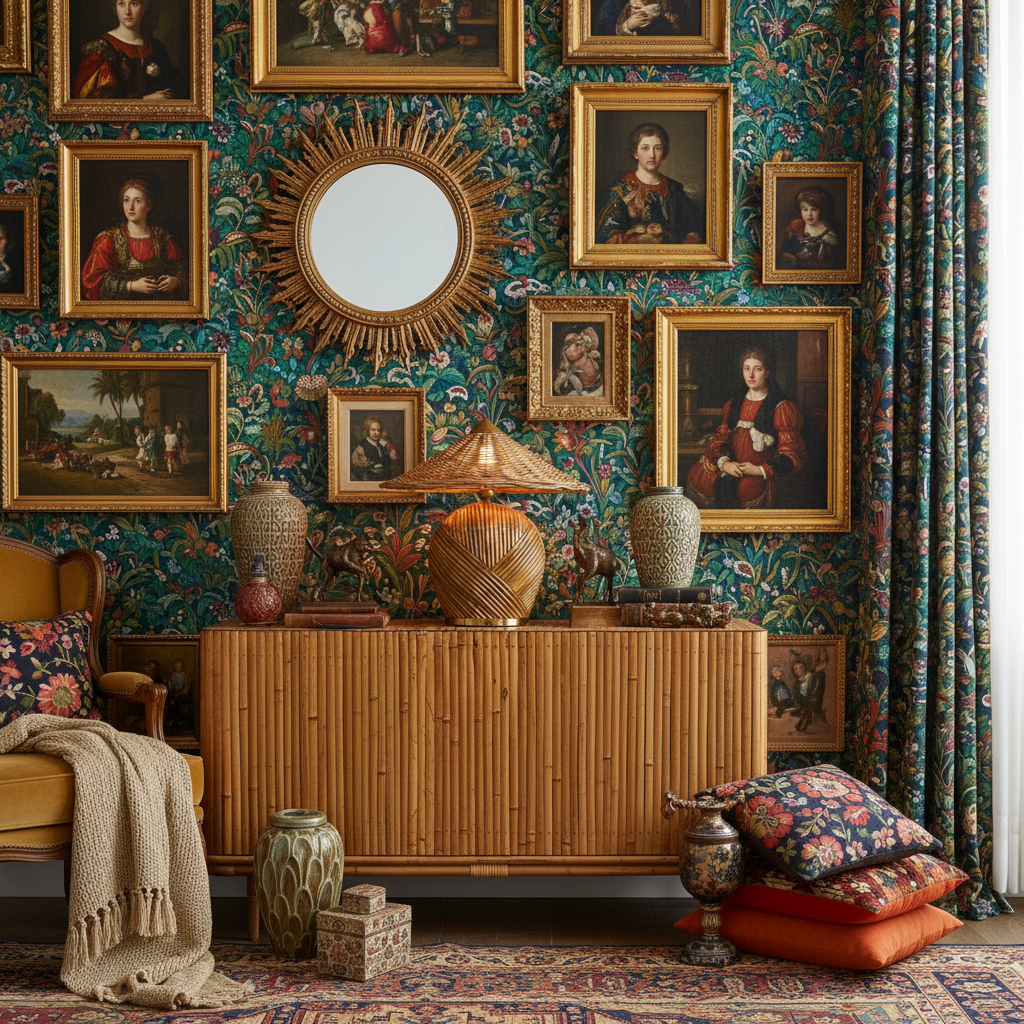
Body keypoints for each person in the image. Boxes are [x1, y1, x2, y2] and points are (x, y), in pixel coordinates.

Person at [686, 347, 806, 510]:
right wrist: (724, 462)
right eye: (746, 369)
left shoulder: (782, 408)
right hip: (731, 464)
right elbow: (719, 438)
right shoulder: (733, 404)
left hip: (757, 469)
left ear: (768, 372)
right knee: (699, 474)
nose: (751, 375)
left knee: (745, 488)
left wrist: (758, 470)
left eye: (758, 369)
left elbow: (792, 454)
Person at [595, 123, 704, 245]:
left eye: (657, 148)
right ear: (635, 153)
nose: (652, 155)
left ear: (664, 152)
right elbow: (606, 236)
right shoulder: (621, 190)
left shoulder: (674, 189)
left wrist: (691, 237)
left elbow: (696, 226)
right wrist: (637, 240)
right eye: (645, 148)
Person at [81, 175, 186, 301]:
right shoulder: (108, 239)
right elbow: (92, 282)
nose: (130, 207)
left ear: (149, 205)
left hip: (158, 309)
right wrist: (131, 286)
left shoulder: (164, 238)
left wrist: (177, 281)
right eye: (126, 200)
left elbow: (183, 270)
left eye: (137, 201)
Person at [73, 0, 187, 101]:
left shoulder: (156, 48)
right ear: (115, 8)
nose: (127, 11)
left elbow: (179, 87)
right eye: (121, 4)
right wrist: (143, 100)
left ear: (144, 8)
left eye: (134, 3)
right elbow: (94, 97)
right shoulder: (102, 48)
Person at [779, 186, 842, 271]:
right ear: (800, 210)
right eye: (805, 209)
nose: (809, 214)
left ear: (821, 210)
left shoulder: (829, 237)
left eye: (814, 209)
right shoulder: (795, 230)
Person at [592, 0, 700, 36]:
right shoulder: (615, 3)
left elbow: (685, 33)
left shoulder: (674, 4)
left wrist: (655, 16)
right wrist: (626, 26)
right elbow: (601, 31)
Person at [553, 326, 605, 397]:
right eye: (571, 342)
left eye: (576, 337)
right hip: (587, 390)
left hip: (599, 384)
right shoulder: (570, 354)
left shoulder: (590, 353)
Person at [351, 415, 402, 481]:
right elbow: (358, 471)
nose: (376, 433)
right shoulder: (362, 447)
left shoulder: (382, 446)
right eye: (373, 430)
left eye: (378, 430)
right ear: (367, 430)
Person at [793, 652, 828, 733]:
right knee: (804, 710)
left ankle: (802, 725)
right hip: (803, 702)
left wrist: (810, 700)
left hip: (812, 700)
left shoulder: (812, 677)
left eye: (800, 667)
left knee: (807, 710)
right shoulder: (797, 682)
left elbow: (815, 690)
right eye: (796, 669)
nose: (798, 670)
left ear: (805, 667)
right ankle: (801, 725)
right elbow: (797, 695)